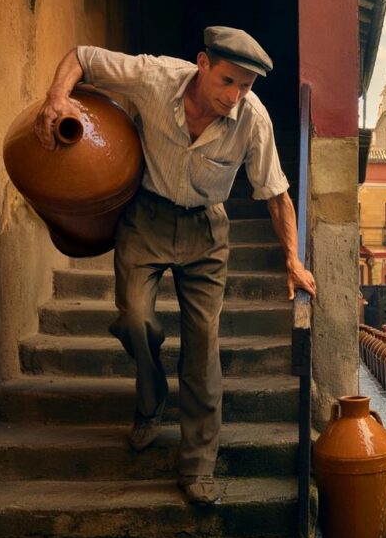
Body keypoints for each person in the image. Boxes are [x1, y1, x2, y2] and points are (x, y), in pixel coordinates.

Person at [34, 26, 317, 505]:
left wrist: (292, 258)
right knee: (134, 319)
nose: (234, 96)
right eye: (228, 81)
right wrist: (56, 98)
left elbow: (276, 195)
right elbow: (81, 55)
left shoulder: (253, 119)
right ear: (202, 64)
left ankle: (198, 464)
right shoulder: (155, 77)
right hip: (146, 216)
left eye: (246, 86)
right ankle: (151, 398)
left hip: (207, 230)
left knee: (203, 347)